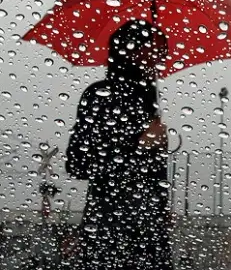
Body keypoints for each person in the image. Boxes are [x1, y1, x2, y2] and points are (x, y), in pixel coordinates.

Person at [65, 19, 172, 270]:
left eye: (161, 52)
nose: (159, 59)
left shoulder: (149, 100)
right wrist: (140, 145)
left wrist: (162, 205)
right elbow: (77, 164)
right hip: (108, 228)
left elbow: (151, 173)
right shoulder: (99, 96)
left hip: (149, 230)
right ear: (130, 50)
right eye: (153, 50)